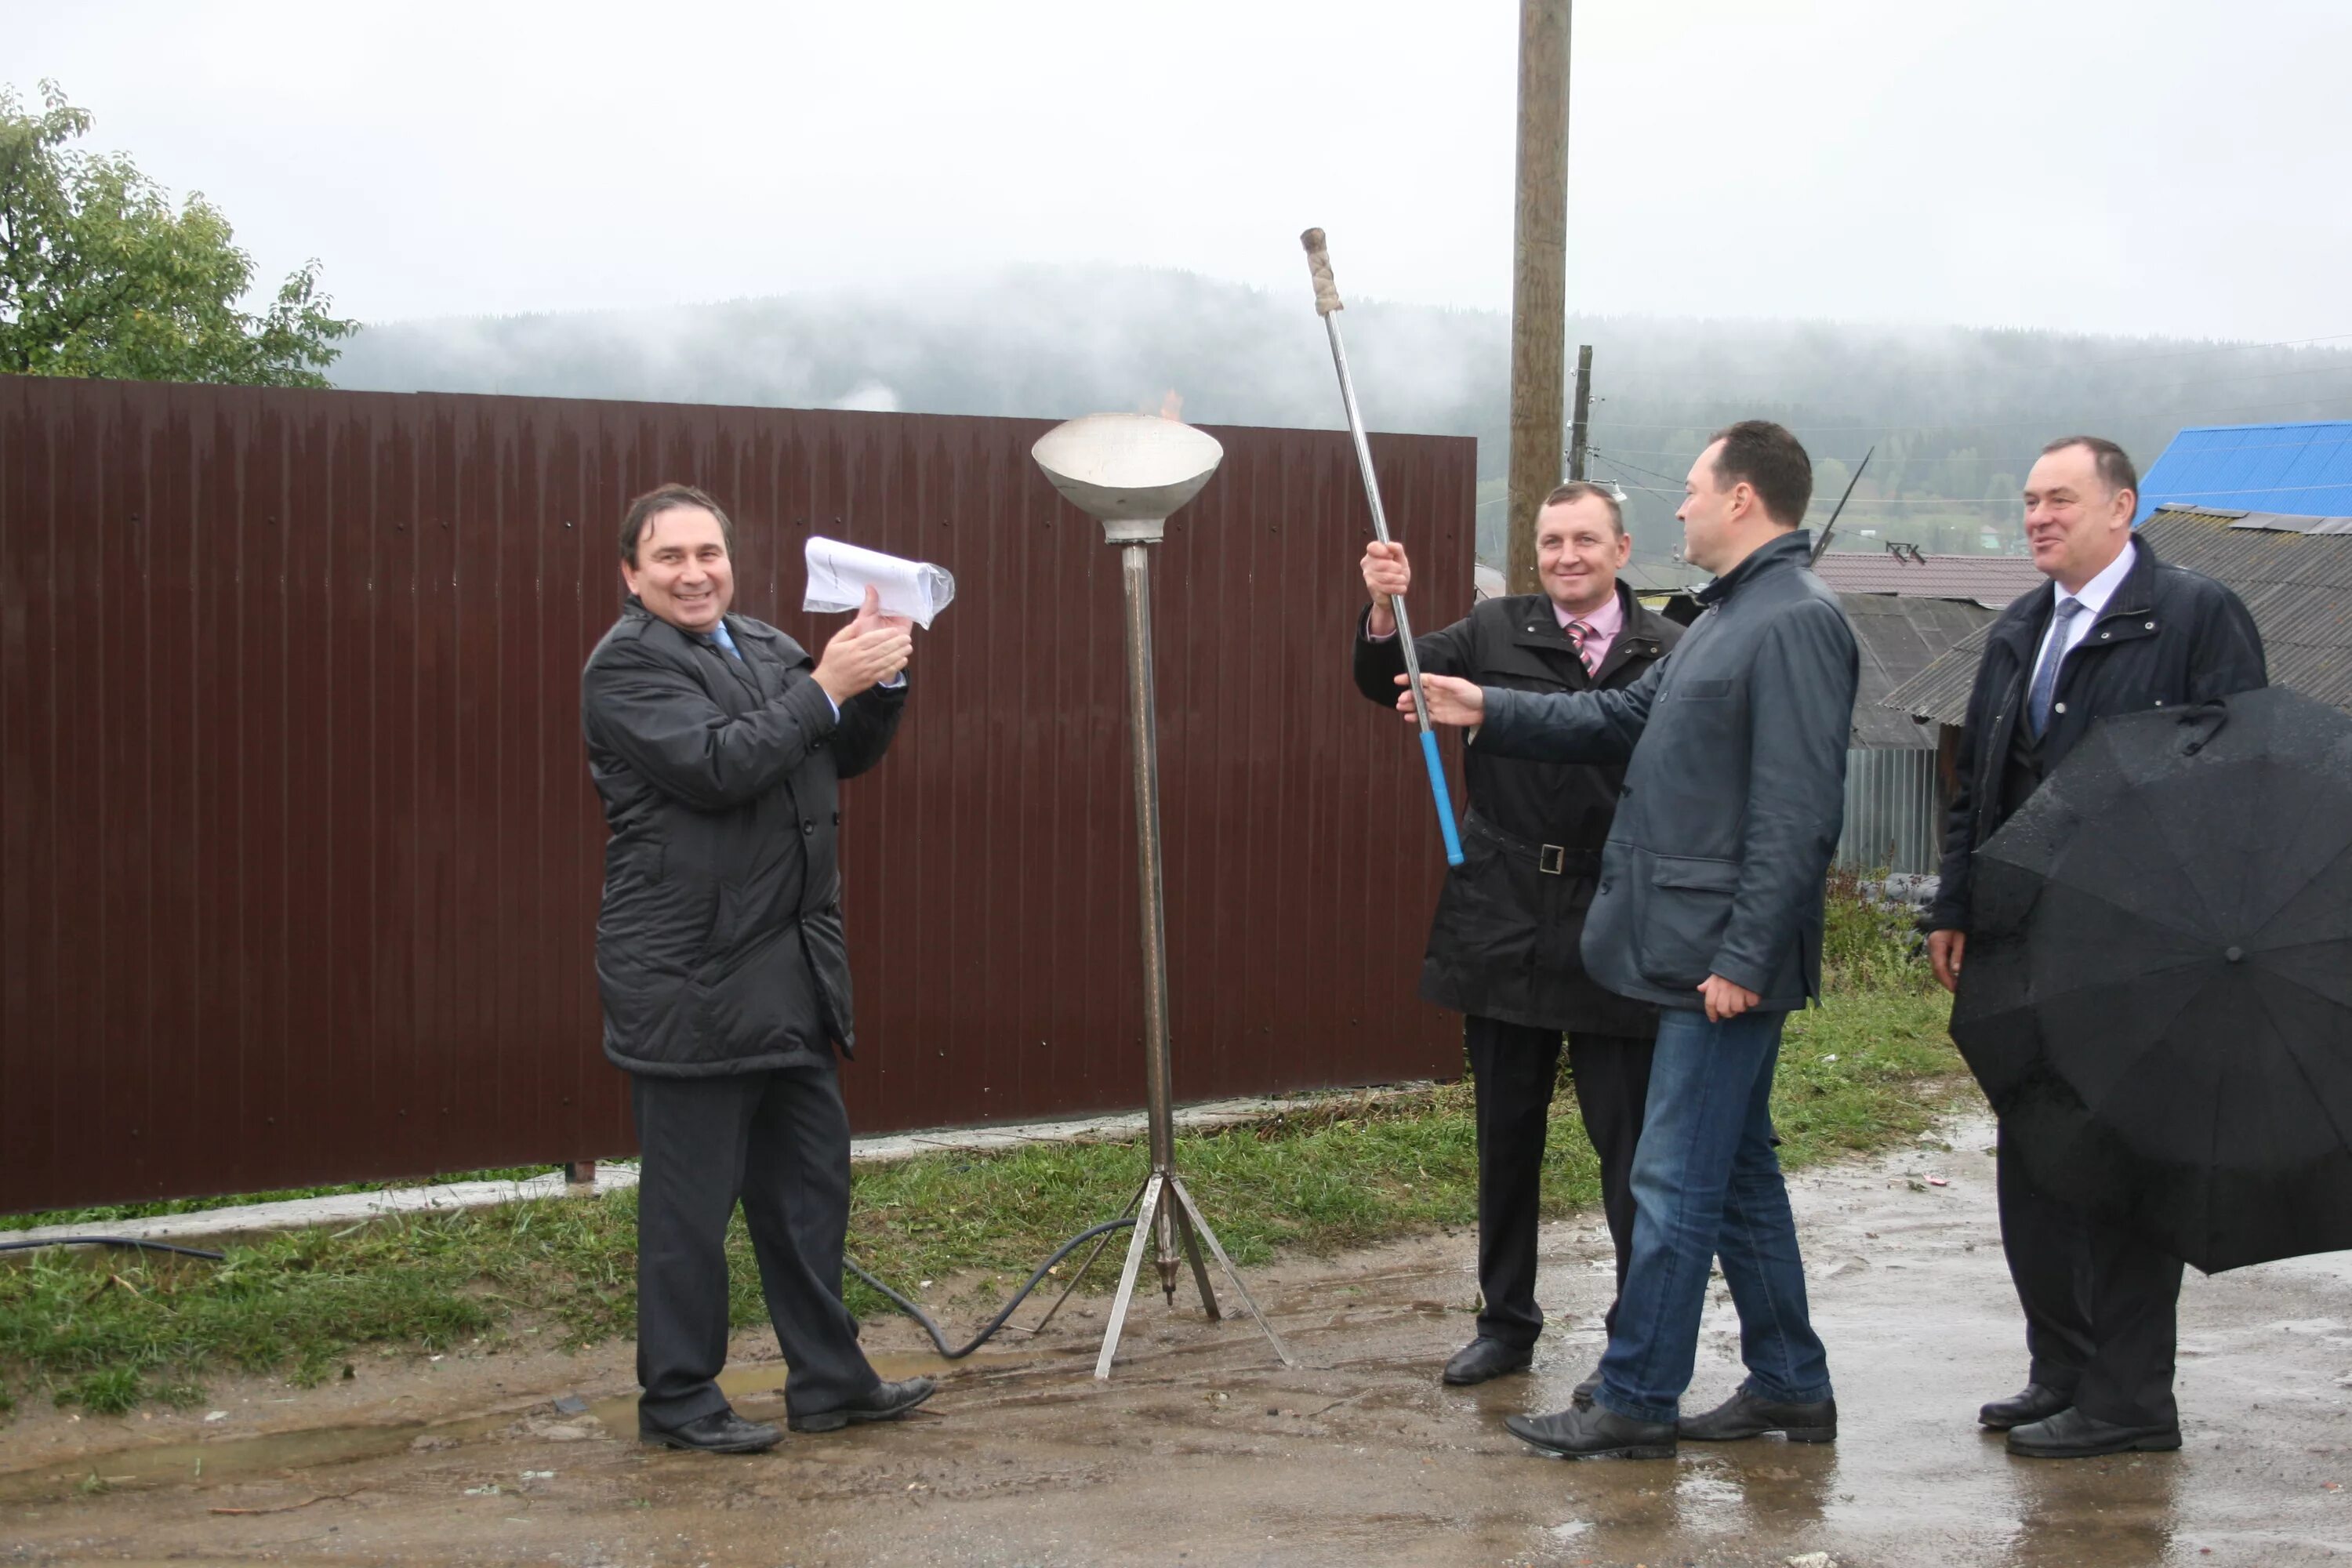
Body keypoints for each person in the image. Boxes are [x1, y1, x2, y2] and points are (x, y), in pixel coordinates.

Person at [1406, 422, 1857, 1460]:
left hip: (1719, 962)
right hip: (1686, 948)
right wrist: (1488, 705)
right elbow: (1616, 719)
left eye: (1696, 489)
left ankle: (1637, 1395)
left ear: (1742, 499)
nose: (1684, 506)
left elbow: (1797, 812)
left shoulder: (1793, 622)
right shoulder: (1727, 618)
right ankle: (1791, 1383)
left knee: (1672, 1179)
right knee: (1739, 1175)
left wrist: (1747, 956)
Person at [1923, 436, 2266, 1459]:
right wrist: (1955, 900)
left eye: (2060, 500)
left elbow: (2243, 771)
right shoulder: (2020, 628)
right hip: (2020, 941)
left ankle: (2129, 1399)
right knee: (2034, 1154)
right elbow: (1975, 780)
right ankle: (2061, 1369)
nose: (2038, 516)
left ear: (2123, 508)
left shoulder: (2195, 616)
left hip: (2141, 945)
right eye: (2029, 500)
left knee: (2124, 1164)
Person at [582, 483, 934, 1454]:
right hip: (689, 981)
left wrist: (882, 671)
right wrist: (827, 683)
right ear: (632, 574)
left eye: (709, 553)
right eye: (669, 558)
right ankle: (680, 1400)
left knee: (809, 1189)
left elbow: (839, 747)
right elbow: (719, 763)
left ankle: (830, 1380)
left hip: (787, 973)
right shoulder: (624, 671)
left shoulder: (768, 644)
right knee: (688, 1212)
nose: (694, 572)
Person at [1353, 481, 1682, 1392]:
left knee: (1630, 1146)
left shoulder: (1672, 650)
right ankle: (1506, 1321)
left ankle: (1635, 1331)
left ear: (1623, 549)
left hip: (1620, 915)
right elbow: (1390, 678)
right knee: (1507, 1135)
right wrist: (1386, 609)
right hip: (1501, 912)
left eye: (1585, 539)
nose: (1566, 555)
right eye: (1550, 541)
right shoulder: (1492, 628)